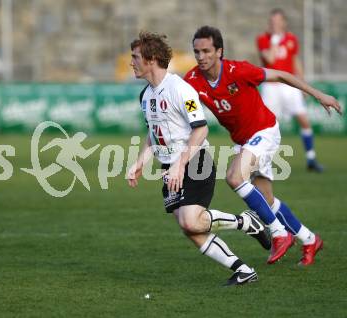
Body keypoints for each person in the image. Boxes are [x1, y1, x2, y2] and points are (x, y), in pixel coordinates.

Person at [184, 26, 341, 266]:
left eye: (206, 51)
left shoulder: (239, 70)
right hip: (243, 141)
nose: (201, 56)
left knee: (235, 177)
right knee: (267, 200)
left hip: (265, 131)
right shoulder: (193, 80)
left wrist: (318, 94)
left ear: (219, 51)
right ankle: (310, 239)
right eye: (197, 52)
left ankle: (279, 234)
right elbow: (180, 102)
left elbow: (280, 75)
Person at [127, 31, 270, 286]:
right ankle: (243, 270)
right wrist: (140, 161)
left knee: (191, 220)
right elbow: (153, 133)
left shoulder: (181, 89)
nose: (132, 62)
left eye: (135, 57)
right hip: (170, 167)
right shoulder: (145, 96)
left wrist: (180, 164)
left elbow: (201, 128)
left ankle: (245, 221)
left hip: (195, 162)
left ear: (151, 59)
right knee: (190, 229)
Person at [257, 8, 323, 172]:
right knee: (268, 125)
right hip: (271, 86)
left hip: (289, 85)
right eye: (272, 22)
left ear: (284, 22)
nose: (274, 24)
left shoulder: (291, 39)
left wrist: (303, 85)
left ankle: (311, 158)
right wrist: (274, 41)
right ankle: (263, 161)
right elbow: (270, 59)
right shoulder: (263, 39)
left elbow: (295, 62)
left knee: (304, 120)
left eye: (278, 21)